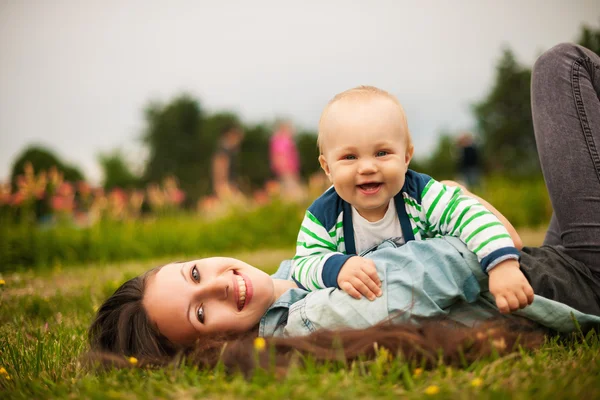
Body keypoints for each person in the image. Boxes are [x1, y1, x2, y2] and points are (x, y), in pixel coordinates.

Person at [88, 43, 600, 370]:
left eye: (195, 272)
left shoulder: (294, 280)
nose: (222, 283)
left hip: (547, 260)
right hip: (574, 279)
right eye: (201, 312)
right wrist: (471, 207)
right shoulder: (312, 318)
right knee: (563, 67)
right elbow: (467, 256)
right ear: (206, 347)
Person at [292, 85, 532, 314]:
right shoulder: (324, 216)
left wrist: (503, 266)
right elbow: (303, 264)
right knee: (292, 287)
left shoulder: (422, 195)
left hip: (431, 294)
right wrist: (337, 267)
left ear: (406, 157)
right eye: (350, 157)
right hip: (372, 306)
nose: (366, 167)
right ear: (327, 167)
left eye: (382, 153)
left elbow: (472, 217)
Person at [269, 120, 303, 201]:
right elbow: (280, 156)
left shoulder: (280, 140)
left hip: (288, 169)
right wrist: (285, 169)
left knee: (286, 188)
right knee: (291, 188)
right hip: (287, 169)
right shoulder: (283, 141)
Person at [212, 123, 244, 200]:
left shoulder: (226, 152)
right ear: (230, 135)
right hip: (226, 189)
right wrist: (224, 189)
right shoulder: (223, 153)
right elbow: (220, 174)